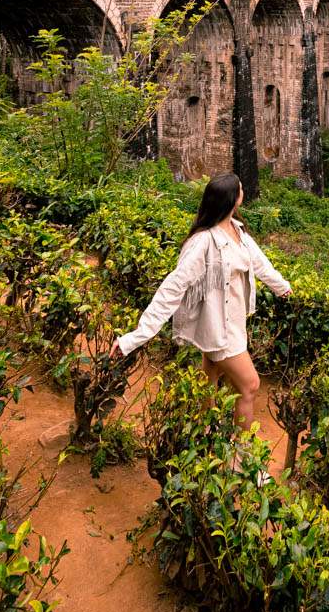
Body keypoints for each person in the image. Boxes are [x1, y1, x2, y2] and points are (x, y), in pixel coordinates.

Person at [110, 172, 291, 432]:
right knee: (250, 385)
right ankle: (242, 459)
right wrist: (135, 337)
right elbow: (173, 287)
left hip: (231, 324)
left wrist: (282, 287)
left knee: (209, 382)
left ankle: (205, 438)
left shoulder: (237, 231)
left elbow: (261, 264)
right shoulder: (203, 242)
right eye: (240, 189)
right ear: (233, 199)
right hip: (222, 329)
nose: (243, 192)